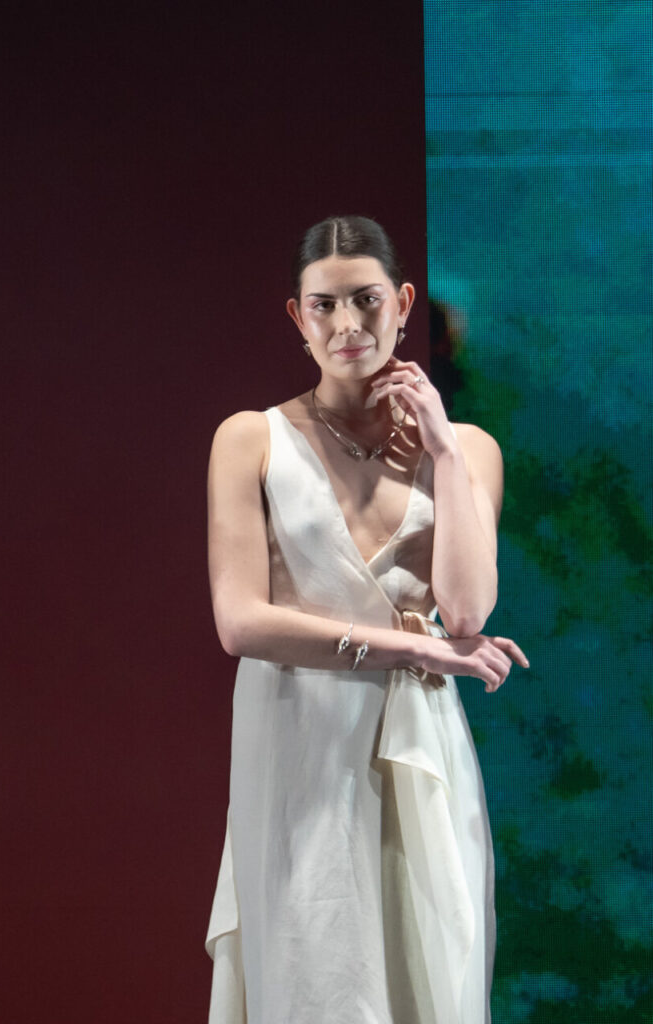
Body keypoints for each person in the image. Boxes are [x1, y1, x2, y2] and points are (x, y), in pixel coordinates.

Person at [205, 215, 528, 1024]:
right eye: (324, 306)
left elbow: (464, 611)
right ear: (296, 317)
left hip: (418, 739)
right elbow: (240, 622)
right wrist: (413, 651)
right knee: (316, 974)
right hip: (298, 739)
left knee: (434, 972)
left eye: (366, 300)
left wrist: (444, 450)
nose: (347, 325)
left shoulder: (472, 450)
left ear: (403, 303)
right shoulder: (250, 439)